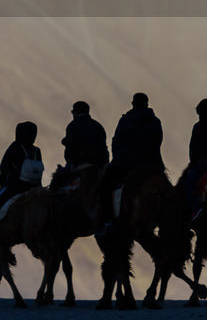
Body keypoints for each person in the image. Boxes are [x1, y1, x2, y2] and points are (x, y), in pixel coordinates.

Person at [97, 92, 164, 234]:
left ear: (133, 103)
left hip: (126, 164)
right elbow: (158, 142)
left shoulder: (126, 120)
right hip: (152, 165)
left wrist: (117, 159)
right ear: (147, 103)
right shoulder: (155, 121)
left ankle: (108, 220)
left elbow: (116, 142)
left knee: (105, 185)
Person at [0, 121, 43, 249]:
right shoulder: (36, 150)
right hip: (35, 187)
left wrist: (3, 184)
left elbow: (4, 167)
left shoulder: (15, 147)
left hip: (15, 187)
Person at [61, 100, 109, 169]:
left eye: (72, 112)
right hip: (101, 164)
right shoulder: (98, 126)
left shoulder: (72, 126)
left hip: (79, 164)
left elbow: (70, 150)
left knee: (58, 177)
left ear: (75, 112)